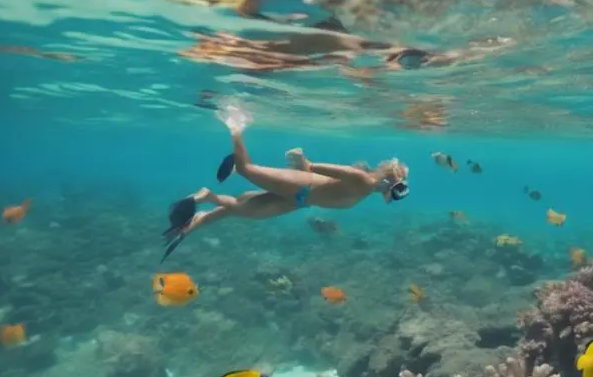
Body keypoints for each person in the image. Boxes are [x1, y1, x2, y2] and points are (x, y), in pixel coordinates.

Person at [160, 101, 409, 262]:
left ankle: (192, 221)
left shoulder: (365, 190)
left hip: (299, 200)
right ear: (390, 181)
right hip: (302, 186)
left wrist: (306, 165)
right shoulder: (363, 180)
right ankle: (235, 124)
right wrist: (305, 162)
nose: (394, 197)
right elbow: (326, 170)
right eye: (398, 190)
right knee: (247, 169)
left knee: (240, 210)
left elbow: (331, 184)